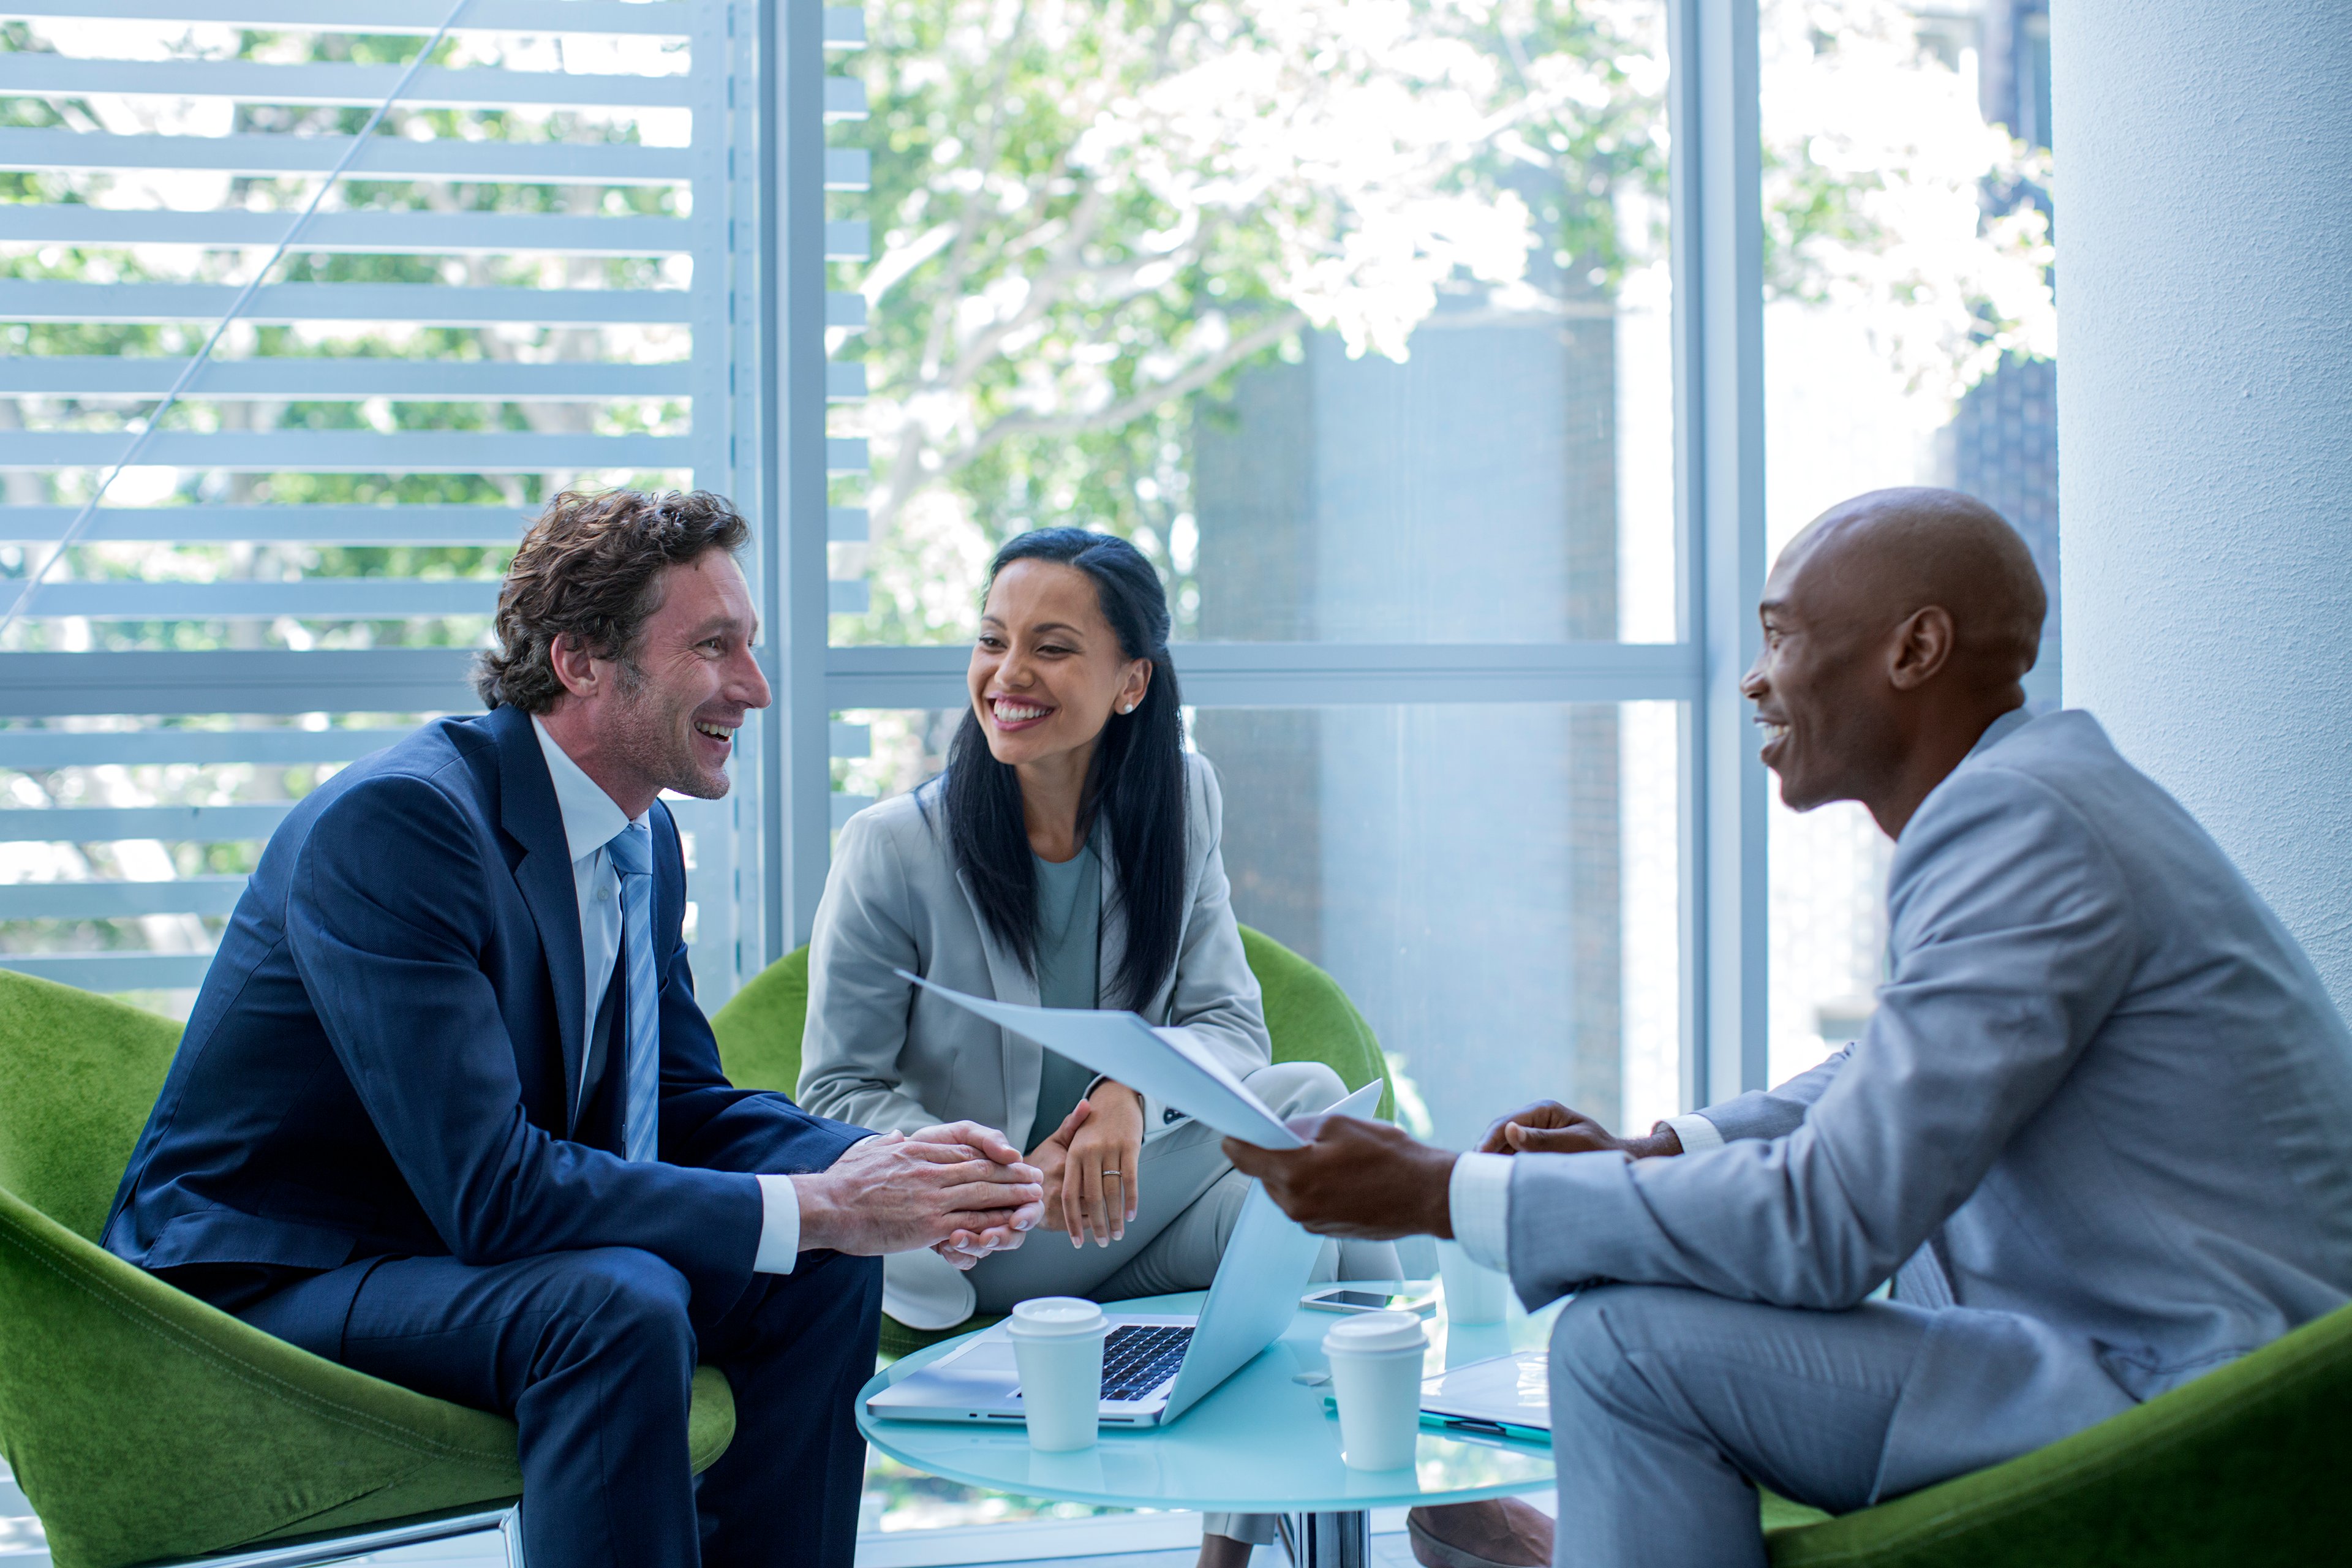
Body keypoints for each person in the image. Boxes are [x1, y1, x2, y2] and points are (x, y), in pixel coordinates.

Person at [1224, 486, 2352, 1568]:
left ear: (1913, 651)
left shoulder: (2017, 827)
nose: (1757, 683)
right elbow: (1886, 1071)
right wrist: (1660, 1150)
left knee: (1628, 1350)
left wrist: (1443, 1192)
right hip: (2153, 1358)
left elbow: (1833, 1222)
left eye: (1781, 636)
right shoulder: (2037, 797)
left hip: (2199, 1404)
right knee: (1639, 1303)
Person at [102, 490, 1045, 1568]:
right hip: (279, 1276)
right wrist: (822, 1204)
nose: (757, 687)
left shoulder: (640, 842)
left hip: (442, 1246)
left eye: (751, 647)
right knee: (615, 1305)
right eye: (714, 646)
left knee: (822, 1268)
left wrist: (888, 1173)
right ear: (581, 662)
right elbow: (491, 1192)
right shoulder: (402, 828)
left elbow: (681, 1102)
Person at [799, 526, 1395, 1567]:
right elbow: (834, 1091)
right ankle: (1443, 1516)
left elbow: (1226, 1024)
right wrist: (979, 1166)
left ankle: (1232, 1556)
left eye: (1053, 647)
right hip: (990, 1242)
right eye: (993, 641)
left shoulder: (1181, 799)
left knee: (1307, 1211)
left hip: (1128, 1218)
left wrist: (1131, 1092)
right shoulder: (894, 847)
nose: (1008, 676)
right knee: (1309, 1105)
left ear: (1132, 682)